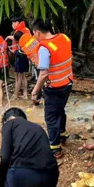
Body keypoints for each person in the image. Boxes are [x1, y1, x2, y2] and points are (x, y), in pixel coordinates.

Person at [31, 19, 73, 159]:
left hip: (54, 87)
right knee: (60, 110)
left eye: (34, 34)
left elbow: (44, 74)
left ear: (37, 32)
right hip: (67, 82)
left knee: (51, 117)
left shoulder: (44, 48)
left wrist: (35, 90)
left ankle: (55, 149)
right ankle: (62, 135)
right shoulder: (64, 38)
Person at [14, 31, 42, 105]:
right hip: (41, 62)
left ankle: (37, 101)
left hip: (36, 65)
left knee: (21, 78)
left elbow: (17, 53)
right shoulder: (34, 41)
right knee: (25, 77)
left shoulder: (23, 47)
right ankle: (27, 95)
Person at [6, 16, 30, 99]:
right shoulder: (26, 30)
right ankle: (25, 94)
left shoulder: (20, 31)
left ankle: (15, 95)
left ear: (17, 23)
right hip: (25, 55)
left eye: (13, 23)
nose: (12, 25)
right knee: (23, 76)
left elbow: (17, 37)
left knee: (18, 77)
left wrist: (8, 37)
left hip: (20, 56)